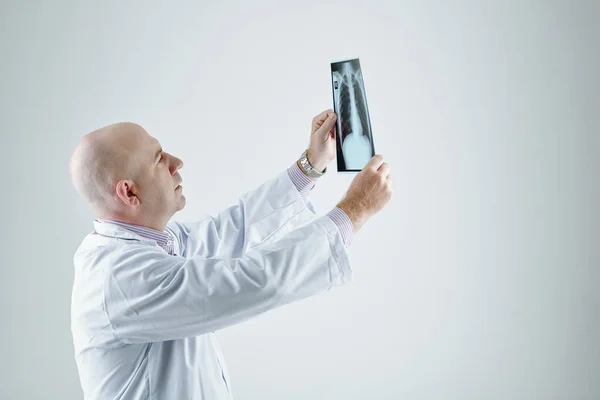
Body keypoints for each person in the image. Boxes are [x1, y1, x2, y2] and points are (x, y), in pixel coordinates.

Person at [69, 109, 393, 399]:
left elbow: (232, 231)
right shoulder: (120, 278)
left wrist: (311, 164)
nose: (176, 162)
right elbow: (255, 282)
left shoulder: (157, 246)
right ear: (129, 192)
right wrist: (354, 210)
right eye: (158, 159)